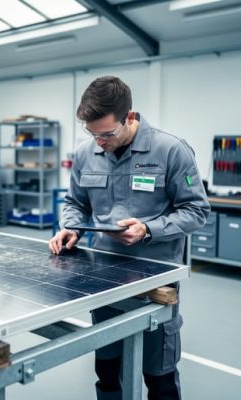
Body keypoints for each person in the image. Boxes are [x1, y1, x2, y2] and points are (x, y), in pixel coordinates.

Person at [48, 76, 210, 400]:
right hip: (102, 277)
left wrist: (148, 229)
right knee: (107, 372)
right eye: (91, 133)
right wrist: (71, 227)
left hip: (155, 280)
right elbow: (75, 203)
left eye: (106, 134)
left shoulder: (171, 150)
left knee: (158, 376)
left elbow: (197, 210)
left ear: (130, 117)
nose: (99, 142)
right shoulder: (85, 154)